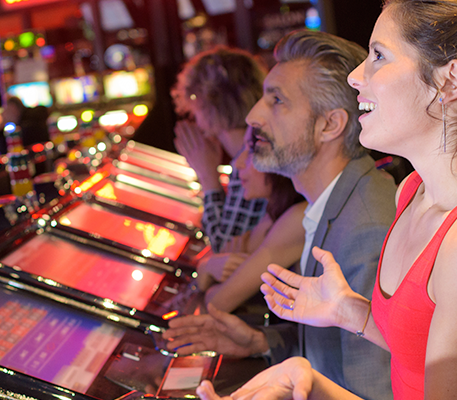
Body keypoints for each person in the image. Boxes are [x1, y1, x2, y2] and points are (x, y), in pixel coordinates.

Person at [201, 0, 457, 398]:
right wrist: (351, 318)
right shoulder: (412, 192)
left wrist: (312, 389)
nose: (355, 77)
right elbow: (419, 356)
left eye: (378, 56)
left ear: (449, 82)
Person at [165, 30, 396, 399]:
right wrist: (260, 341)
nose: (253, 116)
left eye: (276, 101)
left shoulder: (365, 229)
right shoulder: (336, 200)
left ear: (329, 125)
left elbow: (371, 391)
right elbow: (333, 349)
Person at [172, 46, 269, 253]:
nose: (194, 120)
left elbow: (225, 249)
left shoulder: (251, 158)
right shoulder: (257, 146)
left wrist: (208, 178)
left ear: (206, 106)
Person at [198, 134, 307, 313]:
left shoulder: (297, 217)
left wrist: (207, 268)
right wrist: (208, 268)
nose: (238, 163)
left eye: (251, 152)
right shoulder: (274, 213)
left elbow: (216, 303)